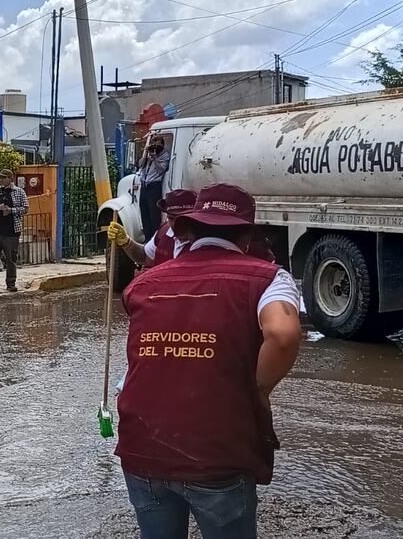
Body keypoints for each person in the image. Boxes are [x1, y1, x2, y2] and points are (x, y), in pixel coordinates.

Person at [117, 183, 302, 539]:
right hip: (215, 453)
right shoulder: (269, 279)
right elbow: (282, 334)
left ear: (185, 231)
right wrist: (259, 388)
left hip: (142, 447)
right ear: (247, 236)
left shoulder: (142, 285)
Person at [107, 189, 197, 268]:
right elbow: (145, 256)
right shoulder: (163, 233)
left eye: (181, 219)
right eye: (171, 218)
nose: (176, 224)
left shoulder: (204, 241)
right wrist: (126, 242)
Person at [137, 140, 169, 241]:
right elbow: (140, 165)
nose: (154, 148)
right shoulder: (148, 155)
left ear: (162, 145)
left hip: (154, 186)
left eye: (157, 145)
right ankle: (147, 238)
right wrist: (146, 154)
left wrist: (155, 159)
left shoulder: (164, 156)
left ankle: (155, 239)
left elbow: (161, 170)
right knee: (144, 214)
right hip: (144, 186)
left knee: (154, 215)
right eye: (153, 144)